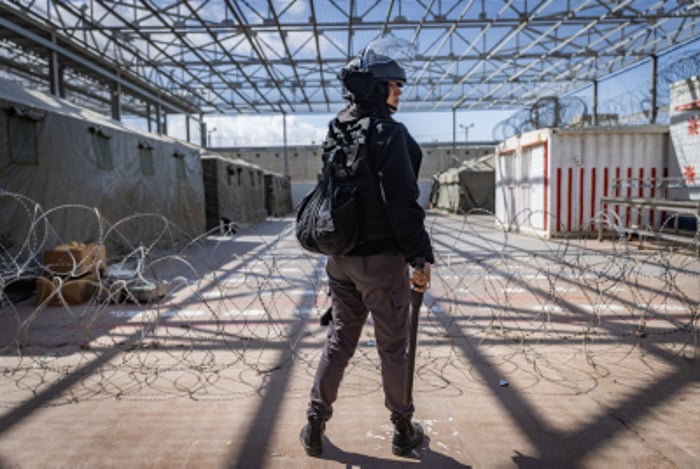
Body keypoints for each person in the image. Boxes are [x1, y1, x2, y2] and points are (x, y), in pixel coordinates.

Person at [300, 37, 435, 457]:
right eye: (395, 85)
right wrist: (419, 254)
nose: (399, 92)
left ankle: (315, 424)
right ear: (376, 87)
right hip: (379, 262)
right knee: (393, 347)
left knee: (341, 340)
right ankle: (402, 428)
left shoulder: (339, 127)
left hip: (340, 259)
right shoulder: (389, 134)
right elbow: (402, 203)